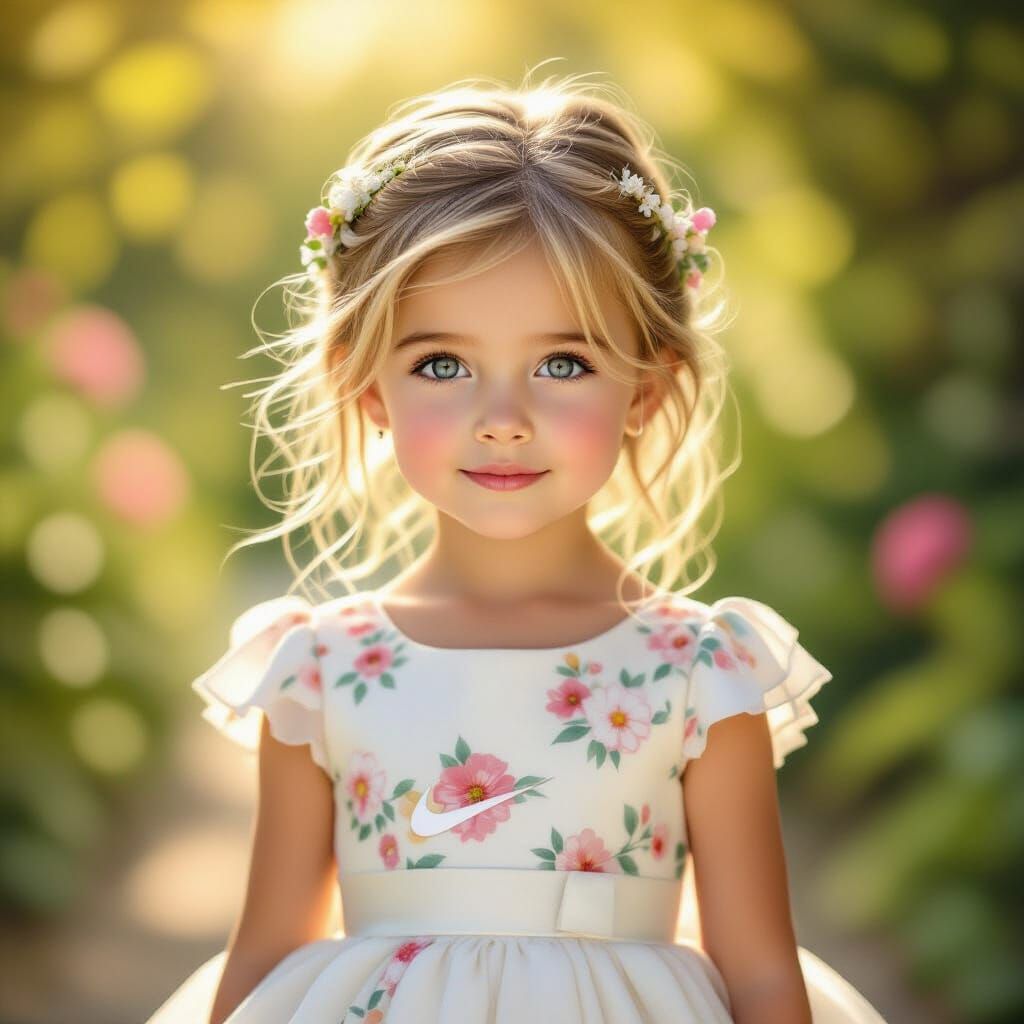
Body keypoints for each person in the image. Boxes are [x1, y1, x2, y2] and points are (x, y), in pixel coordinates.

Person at [145, 69, 888, 1023]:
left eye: (563, 363)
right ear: (370, 388)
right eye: (443, 365)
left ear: (647, 391)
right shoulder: (319, 670)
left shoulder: (704, 670)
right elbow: (265, 955)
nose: (503, 419)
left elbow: (757, 976)